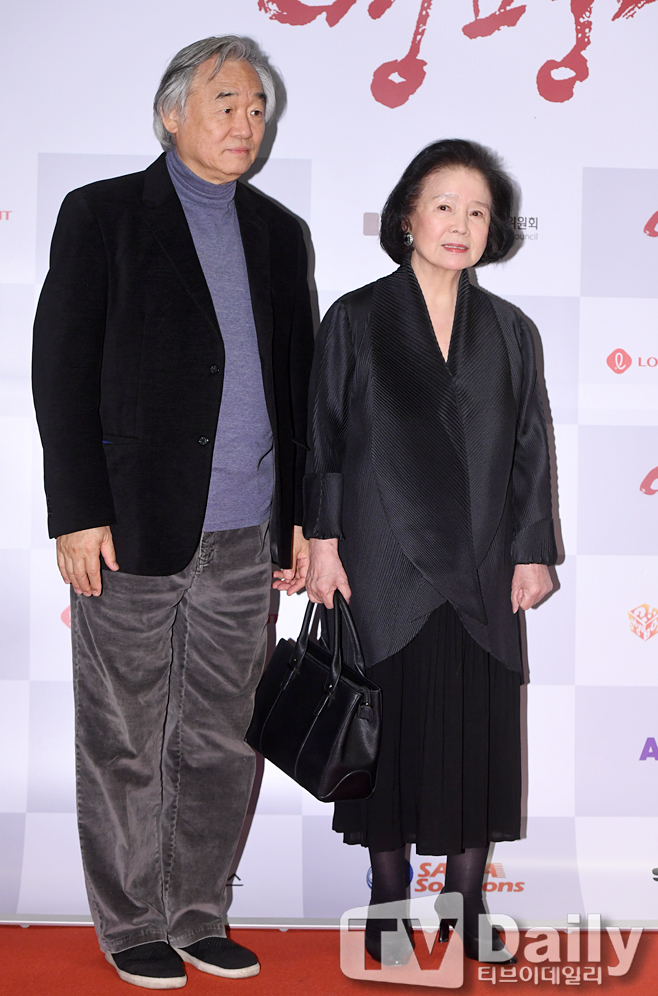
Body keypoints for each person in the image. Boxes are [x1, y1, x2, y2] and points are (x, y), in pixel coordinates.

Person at [32, 36, 313, 990]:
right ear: (171, 113)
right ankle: (131, 923)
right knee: (125, 735)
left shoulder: (280, 233)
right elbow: (61, 370)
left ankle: (197, 915)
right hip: (129, 527)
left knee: (223, 738)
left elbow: (301, 387)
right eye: (226, 103)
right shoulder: (103, 214)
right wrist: (76, 512)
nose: (245, 122)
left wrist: (303, 517)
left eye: (257, 108)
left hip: (247, 532)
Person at [284, 139, 556, 964]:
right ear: (408, 216)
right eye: (444, 206)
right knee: (388, 733)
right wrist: (322, 540)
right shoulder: (357, 317)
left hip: (481, 564)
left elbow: (530, 449)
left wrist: (532, 551)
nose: (460, 223)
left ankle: (465, 900)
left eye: (477, 211)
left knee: (474, 734)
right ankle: (387, 899)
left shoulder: (511, 331)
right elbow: (323, 439)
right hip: (380, 561)